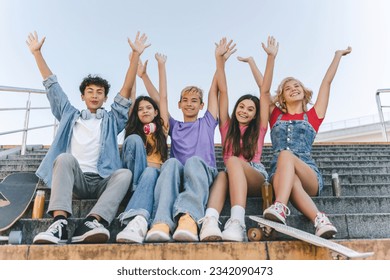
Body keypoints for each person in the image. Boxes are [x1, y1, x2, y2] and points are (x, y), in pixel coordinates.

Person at [27, 31, 150, 244]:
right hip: (77, 180)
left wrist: (135, 57)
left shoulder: (112, 119)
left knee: (124, 174)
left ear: (104, 98)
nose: (94, 95)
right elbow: (52, 87)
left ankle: (93, 221)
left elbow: (126, 90)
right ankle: (60, 223)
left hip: (103, 180)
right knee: (64, 158)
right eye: (90, 91)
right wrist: (37, 53)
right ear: (82, 96)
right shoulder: (69, 114)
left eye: (99, 92)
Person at [135, 39, 235, 242]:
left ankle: (189, 219)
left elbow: (215, 89)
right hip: (178, 175)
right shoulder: (174, 126)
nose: (190, 104)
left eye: (194, 101)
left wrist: (220, 61)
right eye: (185, 100)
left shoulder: (207, 121)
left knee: (193, 161)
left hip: (202, 173)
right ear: (179, 104)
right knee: (171, 163)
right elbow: (158, 99)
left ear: (201, 105)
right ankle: (161, 223)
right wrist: (145, 75)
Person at [263, 46, 352, 238]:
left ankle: (279, 206)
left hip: (308, 173)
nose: (293, 89)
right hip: (279, 174)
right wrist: (270, 58)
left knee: (286, 154)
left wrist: (337, 56)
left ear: (303, 91)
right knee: (289, 176)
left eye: (297, 86)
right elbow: (264, 91)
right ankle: (320, 220)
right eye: (288, 88)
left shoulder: (313, 116)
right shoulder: (275, 115)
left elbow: (326, 82)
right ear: (282, 98)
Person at [199, 36, 278, 242]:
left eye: (250, 109)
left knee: (233, 161)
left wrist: (270, 58)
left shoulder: (259, 128)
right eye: (241, 107)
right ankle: (210, 220)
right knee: (222, 175)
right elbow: (222, 90)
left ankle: (237, 222)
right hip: (231, 174)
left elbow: (265, 91)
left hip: (255, 175)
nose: (245, 111)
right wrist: (219, 60)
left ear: (255, 115)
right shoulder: (227, 126)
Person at [116, 53, 169, 243]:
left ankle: (135, 220)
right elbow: (130, 95)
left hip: (152, 178)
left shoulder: (162, 129)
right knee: (133, 140)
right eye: (140, 109)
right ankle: (137, 191)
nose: (145, 110)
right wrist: (133, 64)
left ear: (155, 112)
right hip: (133, 179)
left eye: (148, 108)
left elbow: (162, 97)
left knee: (150, 173)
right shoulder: (135, 133)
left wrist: (160, 67)